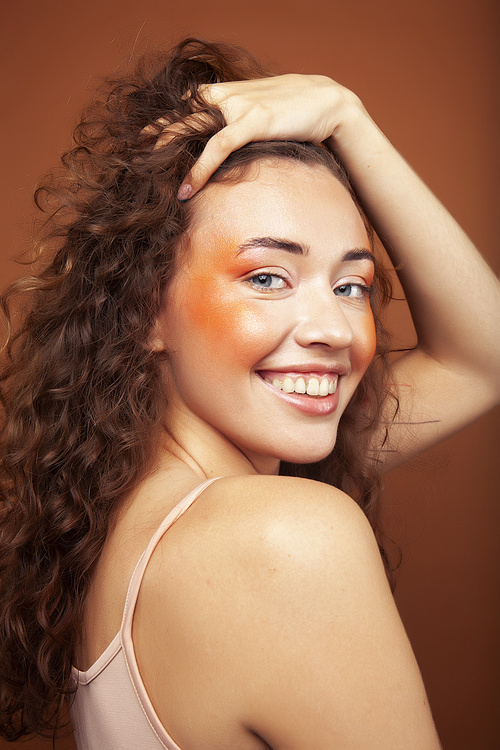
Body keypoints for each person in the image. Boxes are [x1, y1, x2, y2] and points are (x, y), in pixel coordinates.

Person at [0, 37, 498, 750]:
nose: (333, 328)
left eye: (351, 284)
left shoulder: (124, 504)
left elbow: (483, 358)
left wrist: (347, 119)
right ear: (145, 309)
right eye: (267, 277)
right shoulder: (277, 537)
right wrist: (348, 115)